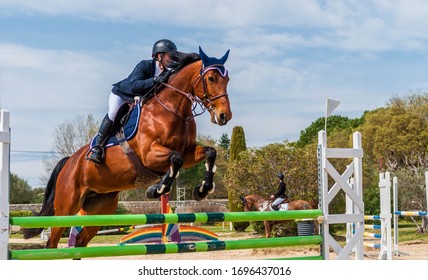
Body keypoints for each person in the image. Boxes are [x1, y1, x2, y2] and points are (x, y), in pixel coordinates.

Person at [87, 39, 178, 163]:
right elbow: (135, 85)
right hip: (122, 94)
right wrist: (155, 80)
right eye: (170, 55)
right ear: (159, 55)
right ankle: (97, 148)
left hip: (140, 99)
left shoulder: (167, 73)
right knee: (113, 114)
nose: (172, 59)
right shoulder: (145, 65)